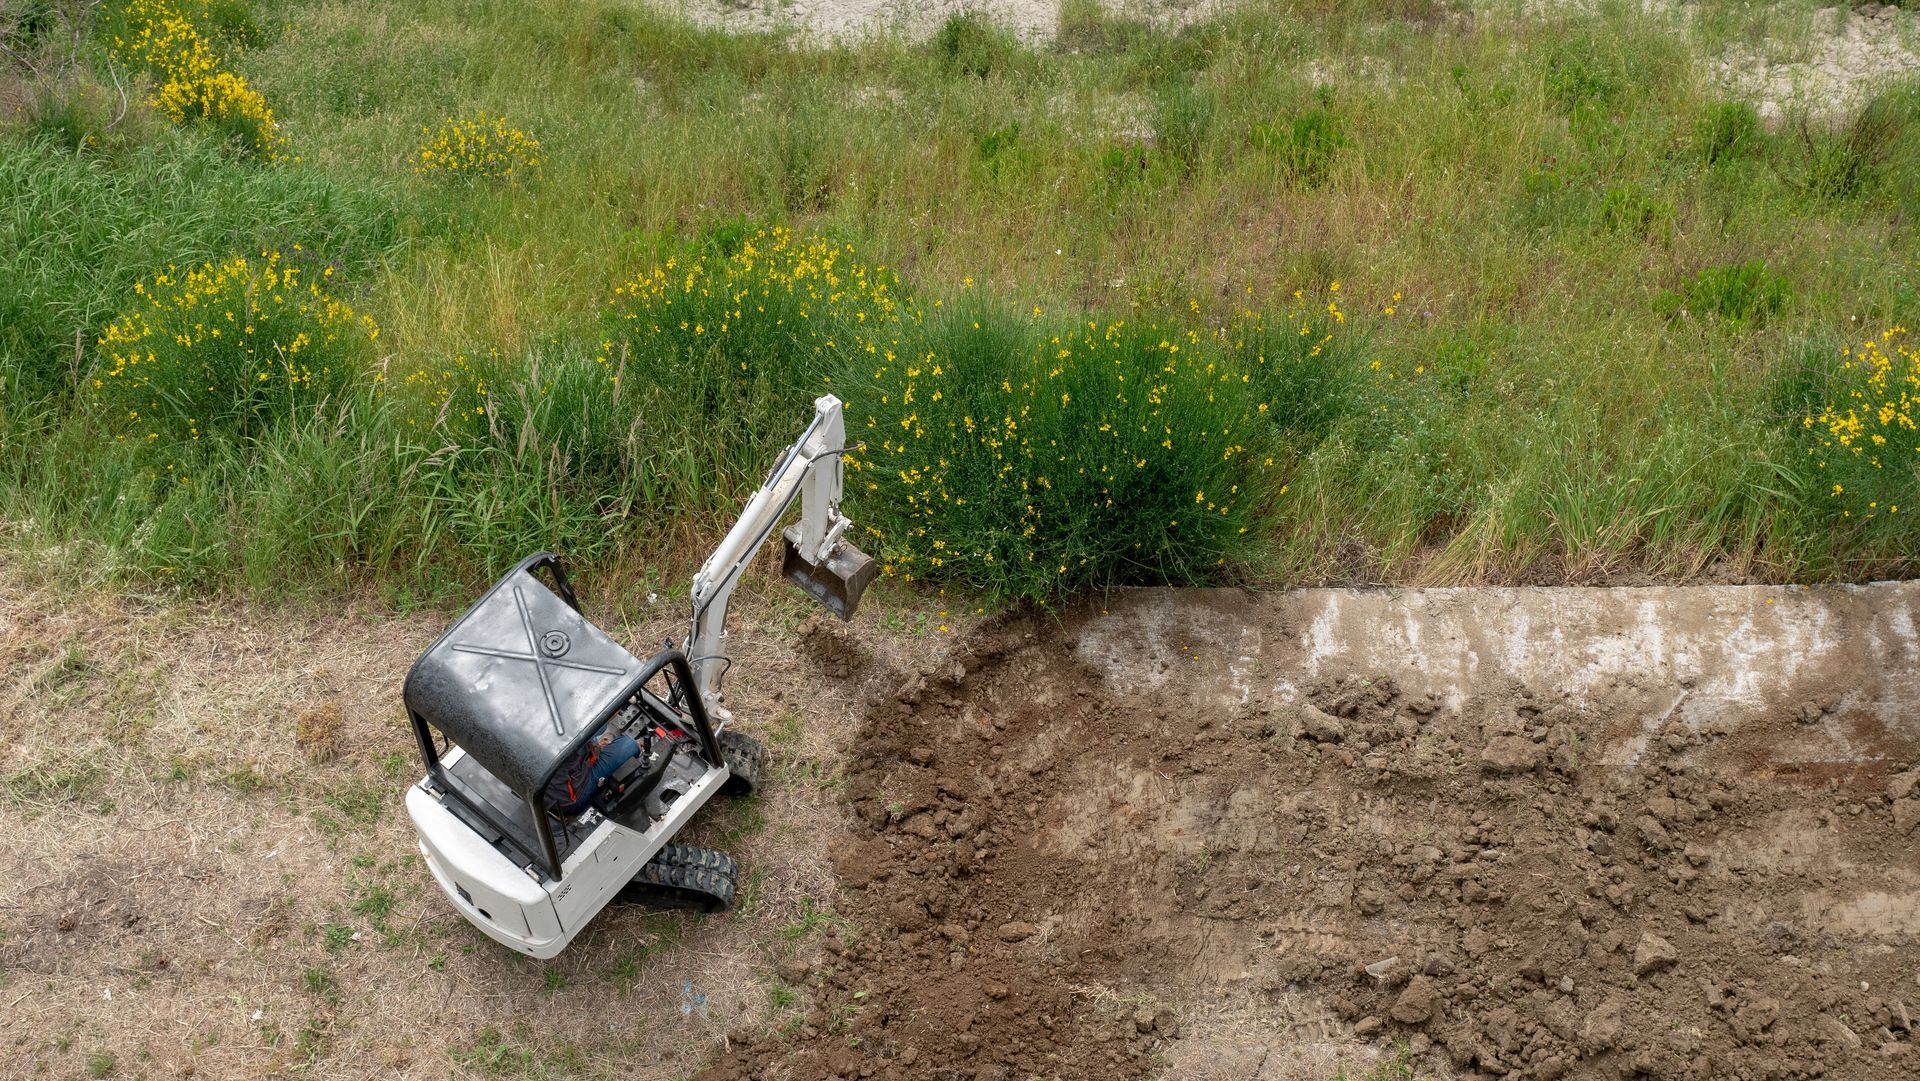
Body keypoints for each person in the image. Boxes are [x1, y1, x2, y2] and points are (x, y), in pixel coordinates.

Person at [545, 728, 641, 816]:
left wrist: (595, 746)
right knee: (630, 745)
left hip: (546, 797)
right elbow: (600, 721)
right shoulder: (565, 726)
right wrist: (595, 748)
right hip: (569, 801)